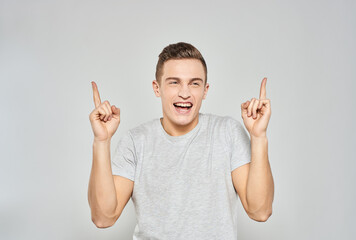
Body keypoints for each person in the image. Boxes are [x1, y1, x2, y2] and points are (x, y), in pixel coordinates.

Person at [88, 42, 274, 239]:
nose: (185, 93)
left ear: (205, 90)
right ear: (157, 87)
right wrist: (101, 141)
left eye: (194, 83)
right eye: (174, 82)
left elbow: (260, 211)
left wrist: (258, 136)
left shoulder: (227, 133)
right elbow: (103, 218)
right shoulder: (136, 141)